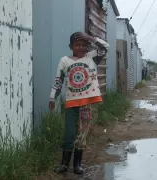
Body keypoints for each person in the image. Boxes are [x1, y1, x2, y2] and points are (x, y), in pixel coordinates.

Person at [49, 32, 109, 174]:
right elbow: (58, 80)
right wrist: (53, 97)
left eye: (84, 45)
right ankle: (64, 165)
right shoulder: (64, 61)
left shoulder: (92, 58)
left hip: (86, 103)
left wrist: (91, 38)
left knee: (82, 135)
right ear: (71, 46)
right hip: (71, 103)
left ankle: (77, 165)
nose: (81, 47)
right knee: (69, 134)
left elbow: (105, 47)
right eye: (77, 45)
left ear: (88, 46)